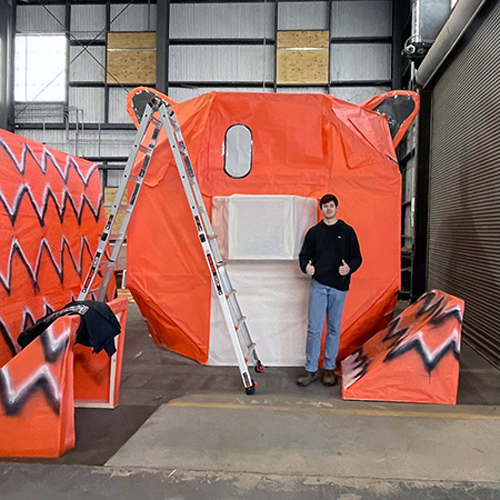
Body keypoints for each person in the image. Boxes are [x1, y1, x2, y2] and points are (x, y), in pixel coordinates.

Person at [297, 194, 362, 387]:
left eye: (331, 206)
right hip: (318, 285)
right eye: (324, 206)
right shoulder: (314, 233)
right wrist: (306, 268)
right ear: (321, 209)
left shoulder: (347, 232)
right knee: (314, 329)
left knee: (333, 328)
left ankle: (329, 369)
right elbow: (304, 256)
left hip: (339, 287)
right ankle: (310, 370)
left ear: (336, 207)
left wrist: (349, 268)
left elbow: (357, 258)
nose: (328, 209)